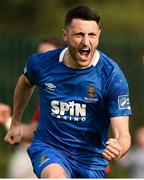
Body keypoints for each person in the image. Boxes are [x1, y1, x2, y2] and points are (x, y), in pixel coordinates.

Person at [4, 5, 132, 178]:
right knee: (55, 176)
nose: (86, 42)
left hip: (90, 160)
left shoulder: (111, 75)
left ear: (99, 35)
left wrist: (120, 148)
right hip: (50, 148)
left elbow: (123, 134)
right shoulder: (42, 63)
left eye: (92, 35)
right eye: (79, 34)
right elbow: (25, 82)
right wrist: (15, 123)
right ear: (65, 35)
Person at [1, 38, 58, 178]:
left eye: (47, 54)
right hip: (57, 164)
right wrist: (7, 120)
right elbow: (36, 131)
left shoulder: (80, 86)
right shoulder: (48, 95)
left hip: (84, 164)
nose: (41, 61)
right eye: (40, 55)